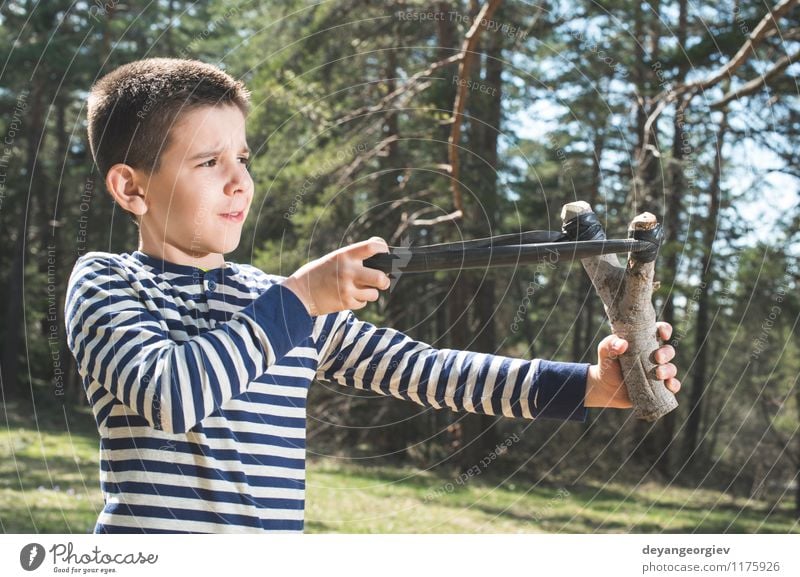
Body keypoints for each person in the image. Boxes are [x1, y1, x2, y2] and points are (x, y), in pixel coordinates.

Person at [65, 58, 680, 533]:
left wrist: (589, 386)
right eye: (207, 163)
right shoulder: (107, 282)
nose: (239, 181)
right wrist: (301, 298)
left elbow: (427, 372)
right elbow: (173, 396)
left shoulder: (274, 301)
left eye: (244, 158)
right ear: (131, 188)